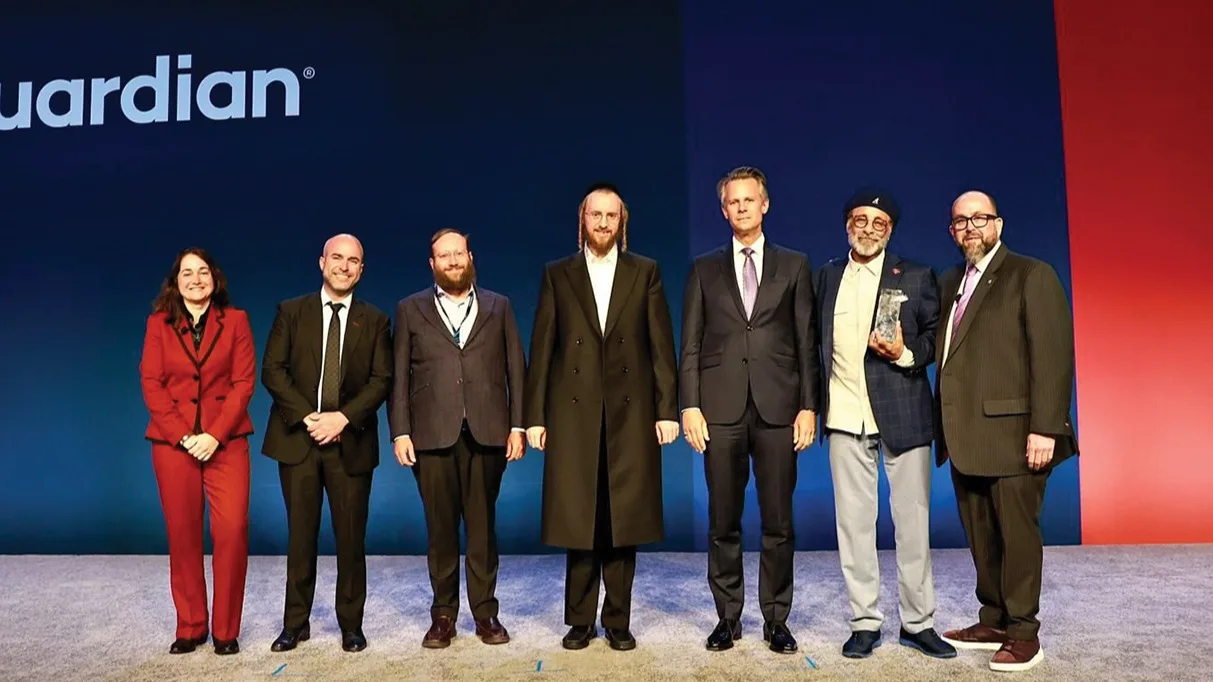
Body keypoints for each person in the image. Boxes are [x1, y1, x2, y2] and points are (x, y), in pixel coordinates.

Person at [524, 182, 679, 652]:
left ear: (622, 222)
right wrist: (535, 417)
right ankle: (579, 620)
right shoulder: (558, 273)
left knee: (622, 519)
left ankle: (617, 620)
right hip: (574, 415)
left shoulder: (645, 271)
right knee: (580, 518)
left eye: (612, 216)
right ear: (583, 220)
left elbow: (660, 346)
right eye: (596, 215)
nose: (604, 223)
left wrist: (667, 410)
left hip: (630, 414)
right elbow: (543, 348)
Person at [935, 190, 1077, 673]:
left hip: (1018, 436)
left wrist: (1045, 429)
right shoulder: (951, 281)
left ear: (999, 224)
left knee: (1017, 537)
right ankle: (993, 619)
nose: (970, 227)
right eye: (961, 221)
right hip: (965, 436)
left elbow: (1053, 356)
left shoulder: (1031, 274)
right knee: (982, 534)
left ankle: (1023, 633)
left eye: (980, 218)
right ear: (952, 232)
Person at [679, 166, 819, 654]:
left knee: (779, 521)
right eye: (733, 202)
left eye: (749, 200)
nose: (741, 207)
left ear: (765, 205)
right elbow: (690, 344)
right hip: (720, 410)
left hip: (780, 408)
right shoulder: (703, 268)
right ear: (724, 211)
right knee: (724, 520)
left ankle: (776, 619)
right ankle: (728, 616)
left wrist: (809, 406)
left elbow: (806, 341)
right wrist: (689, 405)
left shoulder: (794, 265)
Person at [814, 190, 955, 660]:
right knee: (854, 525)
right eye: (861, 219)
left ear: (890, 230)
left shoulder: (915, 275)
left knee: (912, 525)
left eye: (879, 222)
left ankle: (918, 623)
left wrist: (906, 354)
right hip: (844, 416)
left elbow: (935, 338)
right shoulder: (826, 276)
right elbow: (814, 343)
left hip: (904, 414)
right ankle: (864, 622)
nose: (869, 229)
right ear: (847, 225)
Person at [389, 228, 527, 649]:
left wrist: (518, 425)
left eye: (458, 254)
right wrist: (400, 431)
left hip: (488, 433)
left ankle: (485, 613)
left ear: (470, 257)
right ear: (432, 264)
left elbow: (516, 369)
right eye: (444, 256)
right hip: (431, 436)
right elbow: (399, 376)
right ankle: (443, 616)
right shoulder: (410, 309)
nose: (452, 261)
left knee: (483, 530)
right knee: (441, 530)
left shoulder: (499, 306)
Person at [261, 233, 393, 654]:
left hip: (350, 443)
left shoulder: (376, 321)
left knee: (351, 540)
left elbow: (382, 380)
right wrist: (309, 417)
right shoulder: (291, 311)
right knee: (300, 537)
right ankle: (295, 624)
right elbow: (272, 370)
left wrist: (342, 418)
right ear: (322, 263)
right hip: (298, 440)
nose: (344, 266)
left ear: (361, 270)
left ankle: (351, 625)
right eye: (337, 258)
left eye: (353, 261)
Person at [139, 247, 255, 656]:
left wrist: (214, 435)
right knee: (183, 534)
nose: (195, 279)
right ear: (175, 282)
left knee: (232, 532)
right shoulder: (158, 324)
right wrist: (183, 435)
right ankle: (190, 626)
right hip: (174, 445)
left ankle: (225, 630)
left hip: (226, 441)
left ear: (214, 278)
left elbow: (243, 383)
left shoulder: (236, 321)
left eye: (202, 271)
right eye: (187, 273)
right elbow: (151, 383)